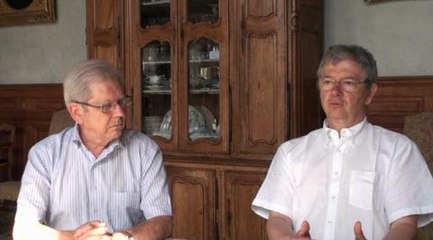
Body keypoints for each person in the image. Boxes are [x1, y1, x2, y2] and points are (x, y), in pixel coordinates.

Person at [251, 44, 433, 240]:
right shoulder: (290, 152)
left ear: (370, 93)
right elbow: (278, 219)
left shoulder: (398, 149)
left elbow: (404, 223)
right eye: (328, 81)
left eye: (348, 83)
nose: (335, 91)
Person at [13, 59, 173, 240]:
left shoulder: (145, 151)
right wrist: (71, 237)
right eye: (106, 107)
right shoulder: (45, 155)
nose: (120, 113)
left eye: (121, 102)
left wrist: (126, 237)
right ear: (76, 112)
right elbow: (24, 229)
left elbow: (163, 220)